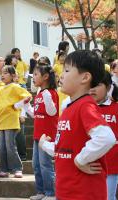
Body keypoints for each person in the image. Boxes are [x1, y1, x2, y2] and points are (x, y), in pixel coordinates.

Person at [40, 50, 116, 200]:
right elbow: (64, 149)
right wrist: (44, 145)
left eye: (67, 70)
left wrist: (81, 160)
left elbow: (106, 137)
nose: (61, 75)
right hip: (67, 191)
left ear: (85, 77)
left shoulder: (85, 106)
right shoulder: (70, 108)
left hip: (83, 193)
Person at [21, 64, 59, 200]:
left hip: (47, 136)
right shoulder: (39, 94)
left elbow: (52, 112)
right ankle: (41, 192)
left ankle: (51, 193)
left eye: (36, 75)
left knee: (45, 165)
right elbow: (36, 114)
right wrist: (26, 106)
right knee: (36, 165)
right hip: (38, 135)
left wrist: (47, 96)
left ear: (45, 77)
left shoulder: (51, 93)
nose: (34, 78)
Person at [0, 65, 31, 178]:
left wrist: (17, 106)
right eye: (2, 73)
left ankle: (17, 168)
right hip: (0, 121)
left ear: (13, 75)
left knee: (10, 145)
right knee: (1, 147)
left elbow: (28, 96)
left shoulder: (15, 87)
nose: (3, 75)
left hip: (11, 120)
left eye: (6, 73)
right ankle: (4, 169)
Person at [89, 71, 118, 200]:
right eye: (91, 85)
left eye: (97, 84)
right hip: (87, 165)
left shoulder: (116, 109)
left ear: (108, 87)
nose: (93, 89)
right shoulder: (84, 108)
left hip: (111, 165)